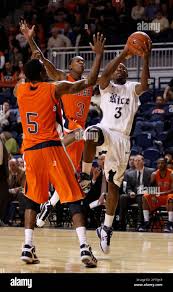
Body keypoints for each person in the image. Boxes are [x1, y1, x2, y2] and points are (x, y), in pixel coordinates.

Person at [14, 33, 104, 267]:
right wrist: (98, 55)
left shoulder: (18, 91)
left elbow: (30, 73)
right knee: (73, 195)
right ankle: (84, 246)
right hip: (52, 147)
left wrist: (34, 57)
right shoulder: (54, 88)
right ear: (43, 74)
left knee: (31, 199)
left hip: (30, 152)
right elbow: (89, 80)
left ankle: (27, 246)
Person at [80, 40, 151, 254]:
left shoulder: (131, 88)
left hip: (122, 139)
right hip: (106, 130)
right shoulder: (106, 86)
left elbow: (145, 85)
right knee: (91, 132)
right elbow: (103, 75)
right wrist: (124, 53)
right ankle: (84, 175)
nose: (120, 69)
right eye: (118, 68)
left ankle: (106, 228)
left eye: (124, 68)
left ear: (128, 75)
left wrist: (145, 58)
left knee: (113, 186)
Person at [139, 158, 173, 233]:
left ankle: (170, 223)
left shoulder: (171, 174)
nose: (160, 165)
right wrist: (153, 195)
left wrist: (161, 193)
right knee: (145, 196)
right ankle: (146, 222)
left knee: (171, 197)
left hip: (168, 196)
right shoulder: (154, 174)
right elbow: (150, 188)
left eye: (162, 163)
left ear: (166, 164)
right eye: (158, 163)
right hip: (159, 197)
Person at [0, 137, 10, 226]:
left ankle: (1, 219)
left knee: (3, 198)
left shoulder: (1, 143)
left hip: (2, 174)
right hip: (2, 174)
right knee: (3, 197)